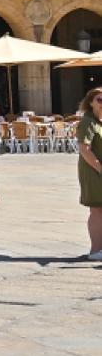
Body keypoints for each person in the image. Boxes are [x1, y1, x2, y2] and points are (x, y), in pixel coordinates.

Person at [77, 87, 102, 260]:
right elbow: (84, 149)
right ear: (91, 102)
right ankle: (95, 250)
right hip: (93, 170)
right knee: (97, 209)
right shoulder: (88, 121)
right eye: (100, 100)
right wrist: (100, 168)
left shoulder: (99, 121)